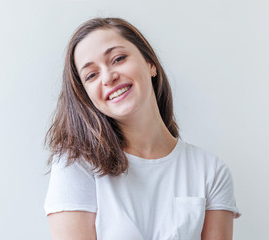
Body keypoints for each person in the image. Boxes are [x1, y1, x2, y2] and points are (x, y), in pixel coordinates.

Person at [43, 17, 241, 240]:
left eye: (118, 59)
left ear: (150, 64)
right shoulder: (76, 165)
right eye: (91, 75)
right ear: (86, 96)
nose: (108, 77)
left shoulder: (210, 172)